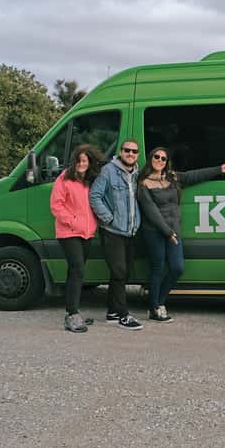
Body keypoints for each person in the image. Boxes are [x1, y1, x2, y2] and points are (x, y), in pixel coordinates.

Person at [137, 147, 225, 322]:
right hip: (154, 231)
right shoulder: (144, 183)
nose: (159, 160)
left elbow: (193, 176)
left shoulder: (172, 177)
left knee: (177, 268)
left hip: (173, 230)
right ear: (151, 158)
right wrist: (168, 233)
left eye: (163, 158)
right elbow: (151, 212)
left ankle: (159, 302)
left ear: (167, 162)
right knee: (158, 269)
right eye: (156, 157)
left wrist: (219, 169)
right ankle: (154, 308)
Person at [88, 139, 144, 330]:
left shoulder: (137, 173)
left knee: (122, 273)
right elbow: (94, 196)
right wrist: (108, 218)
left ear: (137, 154)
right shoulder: (108, 171)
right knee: (119, 271)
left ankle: (112, 311)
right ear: (121, 152)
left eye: (134, 151)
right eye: (127, 150)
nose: (130, 154)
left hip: (131, 231)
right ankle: (123, 315)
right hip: (112, 231)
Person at [50, 144, 101, 333]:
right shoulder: (64, 178)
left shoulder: (90, 180)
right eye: (78, 161)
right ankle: (72, 314)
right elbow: (56, 205)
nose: (81, 164)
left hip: (87, 233)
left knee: (75, 271)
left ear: (89, 163)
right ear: (74, 162)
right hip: (68, 232)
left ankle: (73, 311)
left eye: (85, 161)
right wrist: (73, 221)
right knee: (78, 269)